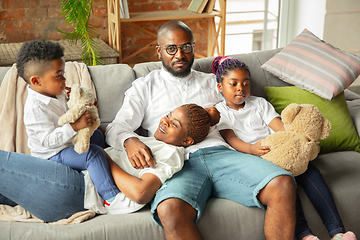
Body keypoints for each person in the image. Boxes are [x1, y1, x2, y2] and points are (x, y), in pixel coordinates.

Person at [106, 20, 297, 240]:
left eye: (186, 47)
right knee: (169, 209)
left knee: (282, 183)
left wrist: (221, 116)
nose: (180, 54)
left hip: (223, 154)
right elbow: (116, 127)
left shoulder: (213, 83)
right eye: (171, 48)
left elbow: (247, 106)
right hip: (179, 164)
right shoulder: (144, 87)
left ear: (193, 47)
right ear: (159, 51)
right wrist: (129, 141)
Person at [212, 56, 357, 240]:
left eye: (245, 83)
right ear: (220, 87)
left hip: (280, 150)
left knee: (311, 172)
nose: (241, 88)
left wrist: (295, 142)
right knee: (285, 184)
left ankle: (337, 232)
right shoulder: (220, 112)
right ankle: (305, 235)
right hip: (255, 158)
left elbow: (279, 126)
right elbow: (231, 138)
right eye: (233, 84)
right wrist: (251, 149)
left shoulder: (259, 104)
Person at [17, 39, 144, 215]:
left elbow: (67, 110)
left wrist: (82, 104)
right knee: (93, 153)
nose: (63, 80)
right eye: (58, 76)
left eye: (63, 74)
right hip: (52, 155)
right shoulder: (34, 108)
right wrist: (75, 126)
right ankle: (111, 198)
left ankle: (117, 164)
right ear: (36, 81)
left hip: (67, 142)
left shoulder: (54, 91)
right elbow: (48, 141)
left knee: (99, 136)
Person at [104, 103, 220, 207]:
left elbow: (141, 193)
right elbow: (113, 130)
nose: (165, 121)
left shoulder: (170, 154)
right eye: (168, 116)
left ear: (186, 141)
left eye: (174, 124)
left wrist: (104, 160)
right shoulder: (149, 142)